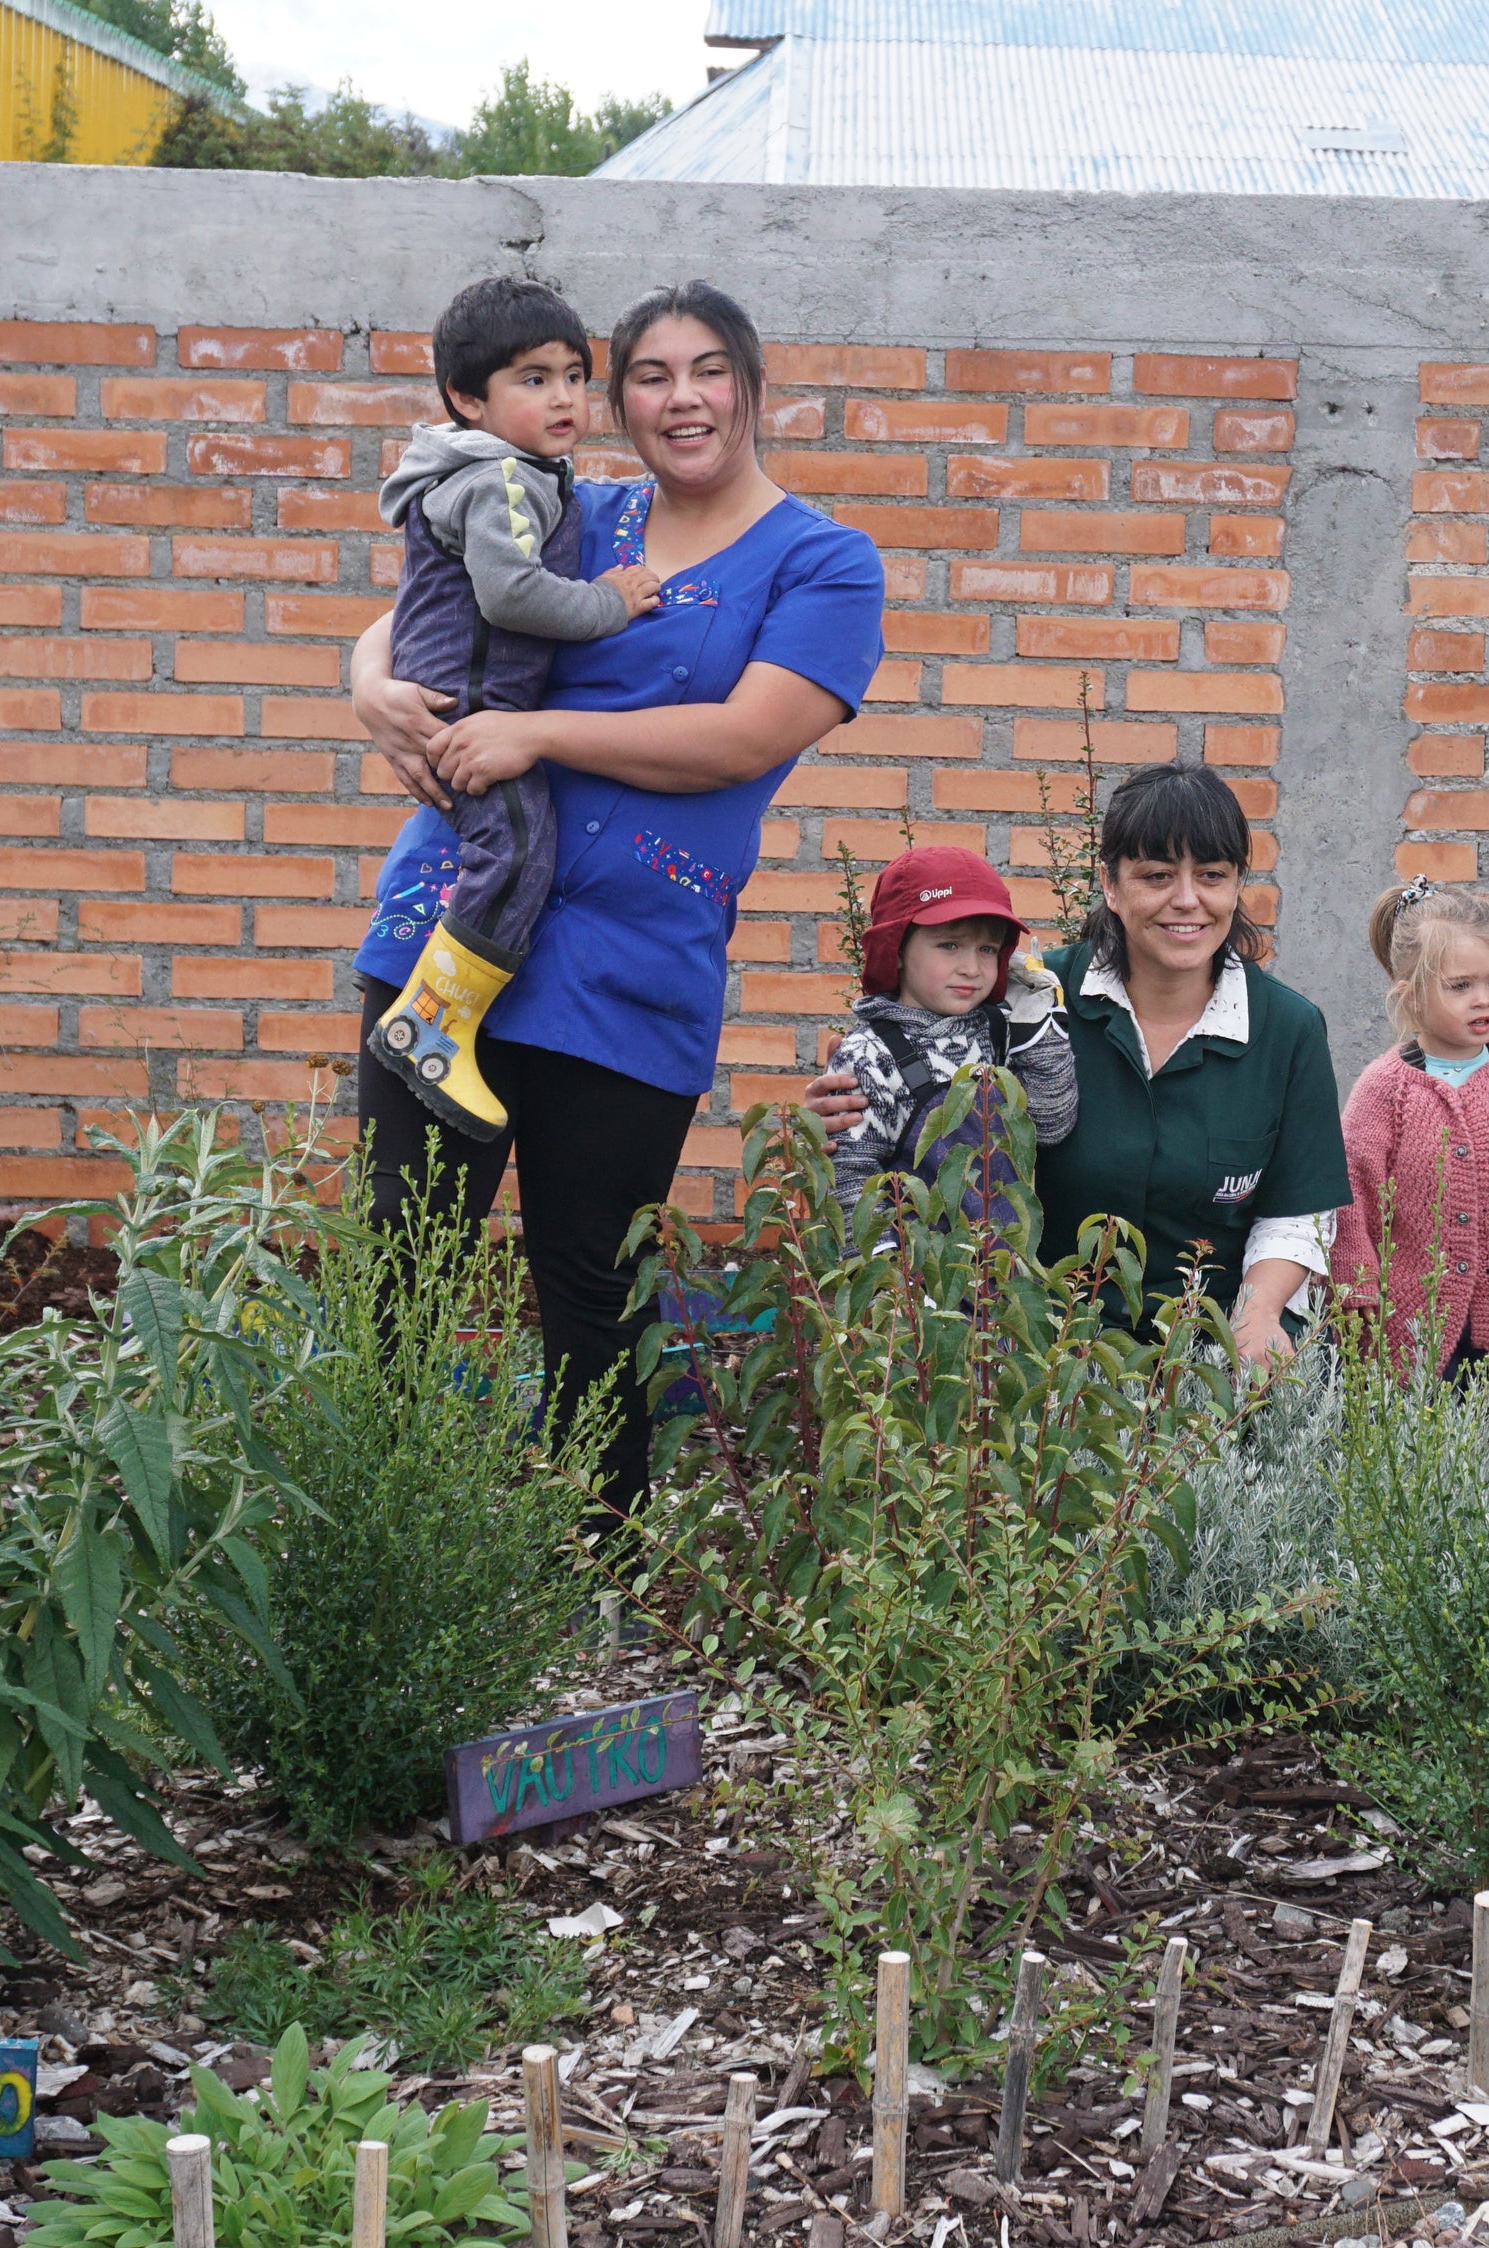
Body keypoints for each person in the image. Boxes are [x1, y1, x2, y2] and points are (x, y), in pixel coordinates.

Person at [346, 281, 883, 1518]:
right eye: (648, 374)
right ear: (615, 396)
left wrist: (535, 733)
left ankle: (603, 1578)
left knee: (590, 1280)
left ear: (751, 384)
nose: (679, 398)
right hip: (454, 922)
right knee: (405, 1264)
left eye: (707, 370)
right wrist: (366, 683)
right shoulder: (576, 511)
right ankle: (374, 1564)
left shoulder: (824, 563)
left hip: (628, 968)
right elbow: (415, 608)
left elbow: (745, 739)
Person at [848, 763, 1343, 1370]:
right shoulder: (1028, 1002)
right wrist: (845, 1105)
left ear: (1239, 884)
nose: (1186, 900)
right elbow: (911, 1069)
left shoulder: (1287, 1028)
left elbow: (1298, 1210)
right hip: (1036, 1347)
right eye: (1156, 876)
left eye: (1212, 876)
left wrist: (1260, 1311)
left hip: (1214, 1347)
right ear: (1110, 885)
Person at [360, 277, 664, 1142]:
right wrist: (609, 600)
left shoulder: (514, 472)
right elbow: (512, 595)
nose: (563, 396)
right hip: (474, 711)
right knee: (519, 847)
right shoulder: (496, 479)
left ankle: (434, 1021)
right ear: (466, 398)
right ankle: (430, 1025)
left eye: (573, 374)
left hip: (470, 702)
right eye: (532, 379)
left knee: (515, 847)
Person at [1329, 880, 1489, 1380]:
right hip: (1404, 1323)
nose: (1482, 1000)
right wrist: (1356, 1281)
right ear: (1411, 994)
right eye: (1460, 985)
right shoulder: (1385, 1089)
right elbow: (1349, 1188)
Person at [821, 845, 1078, 1194]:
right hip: (909, 1248)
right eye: (949, 946)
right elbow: (848, 1180)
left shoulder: (1000, 1031)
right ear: (895, 950)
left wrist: (1040, 1027)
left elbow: (1048, 1127)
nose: (971, 969)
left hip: (1001, 1248)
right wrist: (887, 1251)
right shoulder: (868, 1056)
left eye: (987, 949)